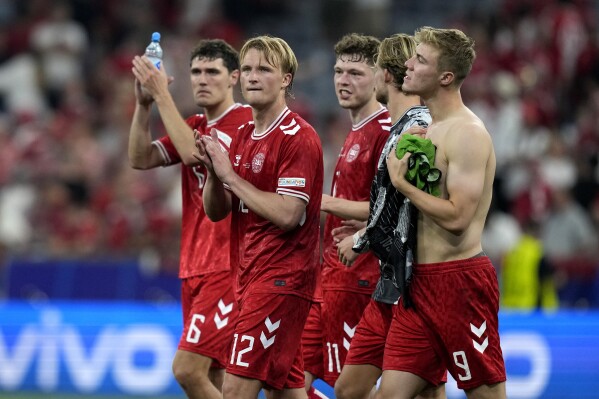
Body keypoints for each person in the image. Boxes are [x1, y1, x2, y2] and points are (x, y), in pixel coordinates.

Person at [381, 27, 507, 398]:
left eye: (420, 60)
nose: (408, 64)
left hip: (460, 284)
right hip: (417, 283)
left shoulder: (468, 133)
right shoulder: (428, 130)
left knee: (485, 394)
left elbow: (457, 217)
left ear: (445, 77)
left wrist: (403, 184)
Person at [196, 35, 324, 399]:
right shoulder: (241, 135)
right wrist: (212, 173)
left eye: (264, 69)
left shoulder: (297, 136)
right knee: (285, 391)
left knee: (235, 390)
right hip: (249, 275)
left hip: (281, 280)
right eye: (248, 69)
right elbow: (217, 212)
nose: (253, 77)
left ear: (285, 79)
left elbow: (288, 214)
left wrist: (231, 177)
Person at [128, 39, 252, 399]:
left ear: (233, 78)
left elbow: (191, 154)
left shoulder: (243, 123)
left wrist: (161, 95)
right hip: (195, 265)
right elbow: (141, 158)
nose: (202, 79)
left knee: (187, 369)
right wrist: (143, 104)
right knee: (215, 375)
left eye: (212, 72)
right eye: (196, 71)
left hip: (228, 267)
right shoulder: (195, 122)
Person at [334, 33, 444, 399]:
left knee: (412, 390)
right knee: (350, 389)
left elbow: (411, 205)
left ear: (384, 74)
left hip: (416, 281)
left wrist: (362, 238)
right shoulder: (399, 127)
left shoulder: (419, 127)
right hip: (391, 281)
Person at [302, 33, 391, 397]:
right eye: (339, 71)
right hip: (328, 278)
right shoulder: (355, 130)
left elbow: (395, 206)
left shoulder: (385, 131)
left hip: (359, 277)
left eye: (355, 72)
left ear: (380, 76)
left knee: (349, 388)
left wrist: (318, 202)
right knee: (288, 379)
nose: (343, 80)